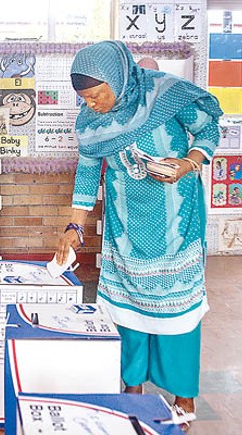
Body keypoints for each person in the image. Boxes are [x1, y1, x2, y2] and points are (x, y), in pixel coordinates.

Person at [55, 41, 222, 431]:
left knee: (178, 317)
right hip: (125, 230)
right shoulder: (91, 122)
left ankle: (183, 395)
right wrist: (74, 226)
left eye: (97, 95)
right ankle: (132, 389)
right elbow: (86, 172)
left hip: (176, 227)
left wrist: (188, 162)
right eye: (85, 98)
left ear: (118, 78)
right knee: (127, 313)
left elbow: (209, 128)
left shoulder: (166, 94)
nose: (93, 104)